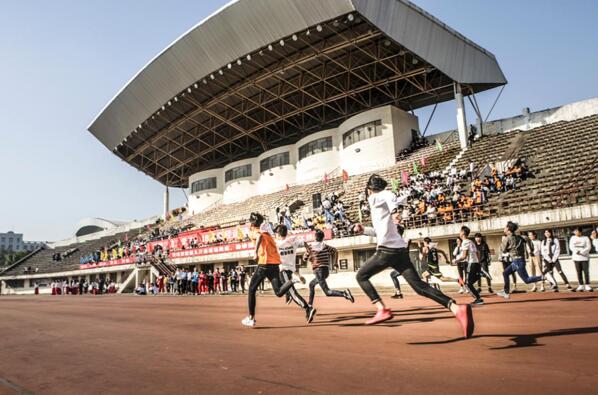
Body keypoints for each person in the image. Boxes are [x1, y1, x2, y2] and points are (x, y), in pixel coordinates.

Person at [354, 175, 474, 338]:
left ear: (369, 189)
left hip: (387, 251)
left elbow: (389, 196)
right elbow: (379, 231)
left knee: (361, 276)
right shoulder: (380, 208)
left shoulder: (376, 196)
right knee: (419, 287)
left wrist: (395, 211)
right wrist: (364, 230)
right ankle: (456, 308)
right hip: (399, 252)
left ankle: (381, 309)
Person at [241, 213, 315, 327]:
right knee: (279, 292)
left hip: (264, 264)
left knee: (251, 289)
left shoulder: (257, 232)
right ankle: (293, 281)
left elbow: (259, 236)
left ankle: (251, 318)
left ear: (252, 223)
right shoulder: (270, 235)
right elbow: (302, 242)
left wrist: (255, 252)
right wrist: (307, 252)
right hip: (275, 265)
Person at [305, 229, 354, 308]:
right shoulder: (325, 246)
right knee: (311, 285)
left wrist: (309, 257)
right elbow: (335, 251)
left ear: (315, 237)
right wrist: (335, 263)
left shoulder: (310, 247)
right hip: (326, 271)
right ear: (323, 238)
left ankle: (344, 293)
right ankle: (310, 304)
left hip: (318, 271)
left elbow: (304, 258)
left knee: (327, 292)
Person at [496, 222, 544, 299]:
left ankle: (542, 277)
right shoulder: (521, 237)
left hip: (517, 262)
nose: (504, 229)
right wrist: (531, 249)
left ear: (508, 229)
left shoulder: (507, 238)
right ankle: (506, 292)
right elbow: (528, 239)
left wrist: (507, 250)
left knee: (527, 280)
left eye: (505, 227)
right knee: (505, 273)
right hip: (518, 261)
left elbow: (503, 250)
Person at [274, 225, 311, 311]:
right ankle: (288, 294)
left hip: (283, 271)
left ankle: (307, 308)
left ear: (278, 234)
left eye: (276, 233)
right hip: (290, 270)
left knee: (293, 293)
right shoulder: (292, 241)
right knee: (282, 286)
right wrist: (307, 251)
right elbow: (304, 242)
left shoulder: (276, 243)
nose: (275, 235)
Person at [452, 226, 483, 305]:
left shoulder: (465, 242)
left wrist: (456, 260)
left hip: (471, 263)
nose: (459, 232)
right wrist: (478, 262)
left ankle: (478, 298)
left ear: (463, 233)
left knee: (467, 283)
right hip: (475, 263)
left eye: (460, 231)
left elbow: (464, 256)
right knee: (470, 282)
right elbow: (478, 252)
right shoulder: (471, 241)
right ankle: (480, 274)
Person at [569, 227, 592, 292]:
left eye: (577, 231)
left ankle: (587, 285)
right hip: (576, 257)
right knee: (579, 272)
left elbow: (588, 247)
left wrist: (582, 252)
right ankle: (581, 285)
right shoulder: (572, 238)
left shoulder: (586, 238)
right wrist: (577, 252)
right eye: (575, 231)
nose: (575, 233)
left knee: (586, 272)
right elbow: (571, 246)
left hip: (584, 257)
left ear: (580, 232)